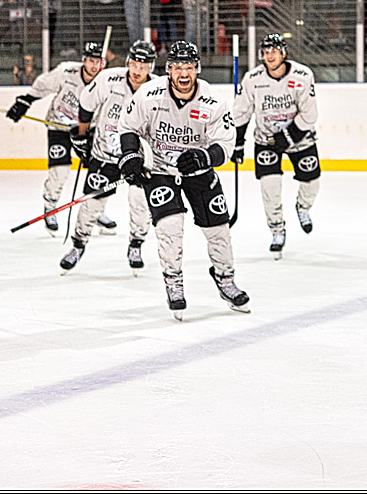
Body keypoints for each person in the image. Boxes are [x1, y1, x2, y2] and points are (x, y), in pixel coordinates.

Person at [117, 40, 248, 319]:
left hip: (198, 172)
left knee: (219, 230)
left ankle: (225, 279)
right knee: (170, 228)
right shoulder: (149, 95)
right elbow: (128, 126)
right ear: (168, 70)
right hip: (161, 171)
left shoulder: (213, 101)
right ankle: (173, 281)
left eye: (189, 67)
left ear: (197, 68)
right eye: (177, 67)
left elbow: (225, 143)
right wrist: (130, 156)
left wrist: (204, 158)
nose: (184, 74)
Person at [60, 41, 158, 275]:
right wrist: (82, 136)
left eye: (143, 67)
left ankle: (136, 244)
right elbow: (86, 104)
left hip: (137, 159)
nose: (137, 71)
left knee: (140, 204)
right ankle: (78, 245)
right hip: (104, 154)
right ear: (128, 62)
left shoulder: (157, 89)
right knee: (91, 203)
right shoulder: (109, 79)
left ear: (151, 67)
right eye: (134, 64)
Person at [231, 34, 320, 258]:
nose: (270, 55)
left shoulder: (302, 75)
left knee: (312, 182)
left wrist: (286, 138)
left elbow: (309, 115)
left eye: (274, 50)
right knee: (270, 188)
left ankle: (303, 207)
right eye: (266, 51)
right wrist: (238, 143)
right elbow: (241, 112)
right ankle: (277, 229)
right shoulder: (252, 79)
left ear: (284, 53)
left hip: (300, 138)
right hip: (266, 140)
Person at [4, 42, 106, 235]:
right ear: (83, 60)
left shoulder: (106, 81)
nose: (95, 66)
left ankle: (95, 210)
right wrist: (25, 100)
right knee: (60, 171)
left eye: (99, 62)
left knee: (98, 171)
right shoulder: (66, 72)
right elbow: (43, 84)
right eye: (91, 60)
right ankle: (50, 207)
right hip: (58, 125)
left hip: (86, 130)